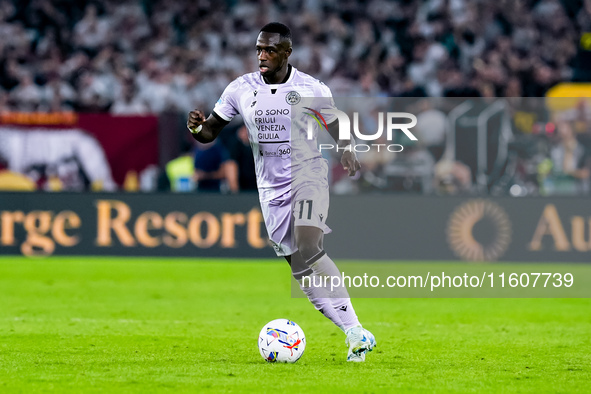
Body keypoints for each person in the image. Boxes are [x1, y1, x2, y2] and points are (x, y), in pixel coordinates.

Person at [187, 23, 376, 362]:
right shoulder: (240, 89)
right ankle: (353, 332)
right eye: (259, 49)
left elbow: (335, 124)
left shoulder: (310, 87)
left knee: (309, 245)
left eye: (270, 50)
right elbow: (210, 131)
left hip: (308, 175)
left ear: (287, 53)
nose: (262, 56)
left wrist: (346, 149)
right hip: (270, 187)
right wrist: (197, 128)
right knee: (299, 269)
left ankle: (357, 329)